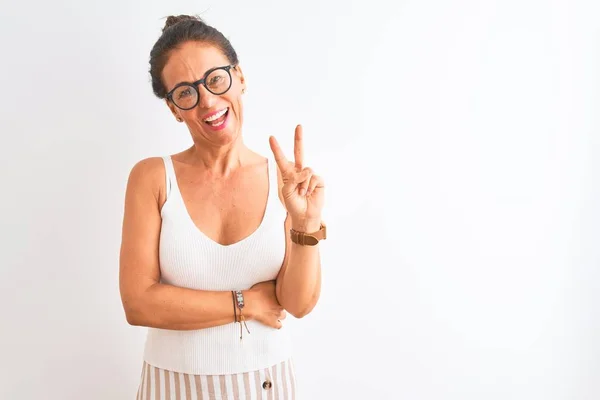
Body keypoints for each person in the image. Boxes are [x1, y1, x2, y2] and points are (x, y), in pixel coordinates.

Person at [118, 14, 326, 400]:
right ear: (173, 108)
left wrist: (306, 222)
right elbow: (139, 302)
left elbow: (297, 304)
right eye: (185, 92)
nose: (207, 102)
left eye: (215, 79)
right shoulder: (152, 178)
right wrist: (245, 304)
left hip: (267, 384)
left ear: (240, 77)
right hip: (171, 387)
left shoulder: (283, 181)